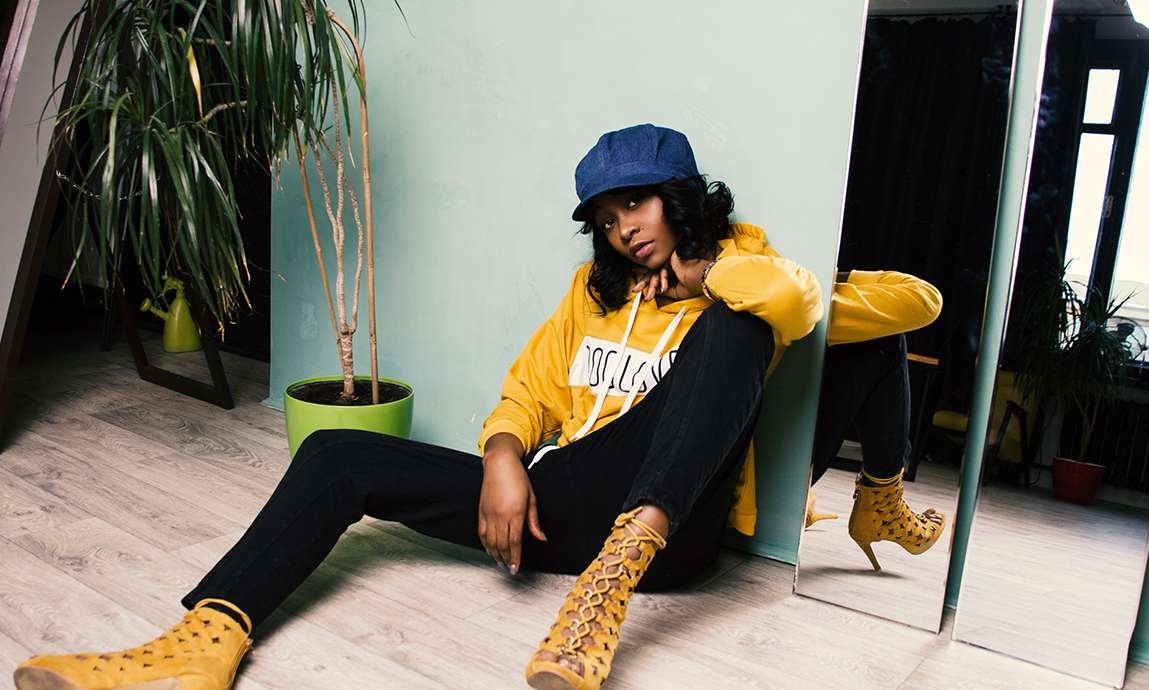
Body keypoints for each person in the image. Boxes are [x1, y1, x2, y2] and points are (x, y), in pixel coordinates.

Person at [14, 124, 940, 690]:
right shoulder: (594, 294)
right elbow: (530, 389)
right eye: (607, 217)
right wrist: (502, 457)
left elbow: (901, 303)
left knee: (752, 327)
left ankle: (626, 575)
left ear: (681, 198)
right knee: (337, 455)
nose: (624, 228)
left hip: (671, 537)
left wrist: (708, 277)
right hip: (564, 502)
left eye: (638, 204)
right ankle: (203, 640)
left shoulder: (746, 270)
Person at [802, 270, 947, 570]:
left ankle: (880, 503)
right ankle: (882, 506)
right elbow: (924, 298)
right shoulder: (788, 292)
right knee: (880, 339)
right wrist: (831, 270)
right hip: (763, 485)